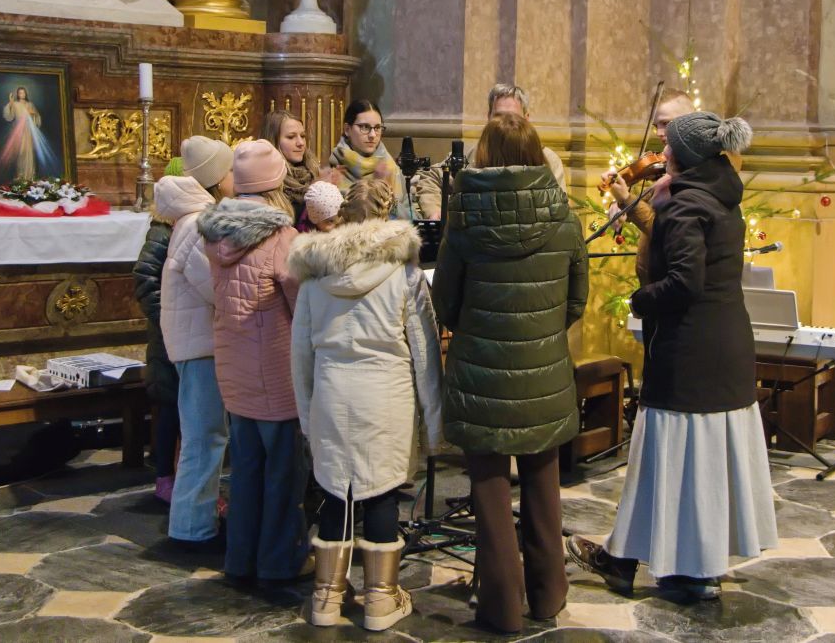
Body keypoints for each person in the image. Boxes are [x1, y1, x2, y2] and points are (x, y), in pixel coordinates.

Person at [568, 112, 778, 601]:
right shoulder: (719, 194)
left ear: (684, 155)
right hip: (724, 344)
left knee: (670, 456)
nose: (661, 152)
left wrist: (640, 300)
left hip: (690, 350)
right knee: (700, 462)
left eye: (669, 147)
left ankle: (652, 564)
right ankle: (679, 564)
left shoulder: (686, 206)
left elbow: (685, 282)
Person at [431, 112, 588, 634]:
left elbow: (445, 302)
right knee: (544, 483)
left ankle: (500, 608)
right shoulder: (563, 216)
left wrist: (478, 330)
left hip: (481, 372)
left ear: (486, 154)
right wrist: (541, 334)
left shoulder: (465, 217)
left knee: (490, 490)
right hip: (544, 371)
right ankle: (548, 595)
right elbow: (575, 300)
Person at [289, 177, 442, 631]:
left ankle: (326, 596)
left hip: (332, 392)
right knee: (380, 491)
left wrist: (306, 415)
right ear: (388, 213)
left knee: (336, 491)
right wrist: (435, 422)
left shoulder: (315, 277)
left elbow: (300, 355)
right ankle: (380, 599)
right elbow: (425, 353)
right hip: (385, 394)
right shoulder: (405, 275)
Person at [196, 139, 310, 583]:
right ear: (275, 183)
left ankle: (240, 560)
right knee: (283, 473)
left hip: (234, 368)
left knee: (244, 471)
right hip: (275, 372)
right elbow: (302, 307)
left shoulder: (215, 234)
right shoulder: (281, 238)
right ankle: (278, 563)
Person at [157, 136, 234, 548]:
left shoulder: (195, 219)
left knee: (206, 437)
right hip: (199, 344)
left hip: (199, 340)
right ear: (216, 178)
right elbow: (214, 287)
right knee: (204, 438)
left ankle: (195, 522)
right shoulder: (196, 224)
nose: (235, 176)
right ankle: (191, 529)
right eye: (230, 169)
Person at [415, 84, 567, 218]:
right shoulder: (473, 154)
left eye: (512, 117)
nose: (504, 125)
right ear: (488, 118)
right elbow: (431, 177)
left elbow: (558, 210)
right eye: (498, 117)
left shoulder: (547, 159)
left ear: (526, 119)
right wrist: (435, 211)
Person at [133, 160, 184, 505]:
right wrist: (166, 318)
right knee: (169, 407)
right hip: (167, 335)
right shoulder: (162, 230)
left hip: (179, 331)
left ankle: (176, 474)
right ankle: (164, 476)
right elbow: (145, 277)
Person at [607, 88, 696, 284]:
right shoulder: (667, 164)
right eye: (656, 126)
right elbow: (643, 199)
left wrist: (626, 200)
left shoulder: (694, 171)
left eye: (666, 124)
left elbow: (663, 230)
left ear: (689, 121)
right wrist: (619, 205)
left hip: (670, 284)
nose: (659, 133)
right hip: (653, 282)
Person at [328, 99, 423, 220]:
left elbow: (414, 219)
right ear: (347, 129)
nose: (372, 135)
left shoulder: (391, 169)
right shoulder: (333, 170)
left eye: (377, 128)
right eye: (364, 127)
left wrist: (386, 196)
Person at [261, 109, 327, 225]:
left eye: (303, 136)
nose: (300, 143)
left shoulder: (315, 174)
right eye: (291, 137)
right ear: (273, 141)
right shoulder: (266, 185)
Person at [0, 86, 56, 182]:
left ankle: (30, 177)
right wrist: (11, 103)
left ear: (26, 94)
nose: (22, 94)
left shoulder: (30, 104)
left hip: (29, 132)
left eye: (23, 92)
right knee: (21, 153)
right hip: (19, 132)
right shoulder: (15, 104)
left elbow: (37, 119)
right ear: (18, 94)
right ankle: (21, 178)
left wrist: (33, 114)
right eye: (20, 93)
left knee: (29, 154)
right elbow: (9, 116)